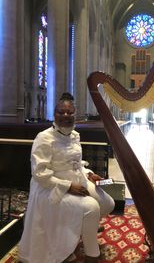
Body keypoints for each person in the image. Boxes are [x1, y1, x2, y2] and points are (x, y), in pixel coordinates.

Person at [18, 93, 115, 263]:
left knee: (108, 203)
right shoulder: (44, 138)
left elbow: (76, 163)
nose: (65, 116)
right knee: (91, 207)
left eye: (69, 113)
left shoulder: (75, 135)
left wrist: (89, 174)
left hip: (78, 179)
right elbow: (39, 173)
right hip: (51, 187)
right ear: (54, 115)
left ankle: (80, 230)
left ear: (74, 115)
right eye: (61, 112)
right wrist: (69, 186)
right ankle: (92, 256)